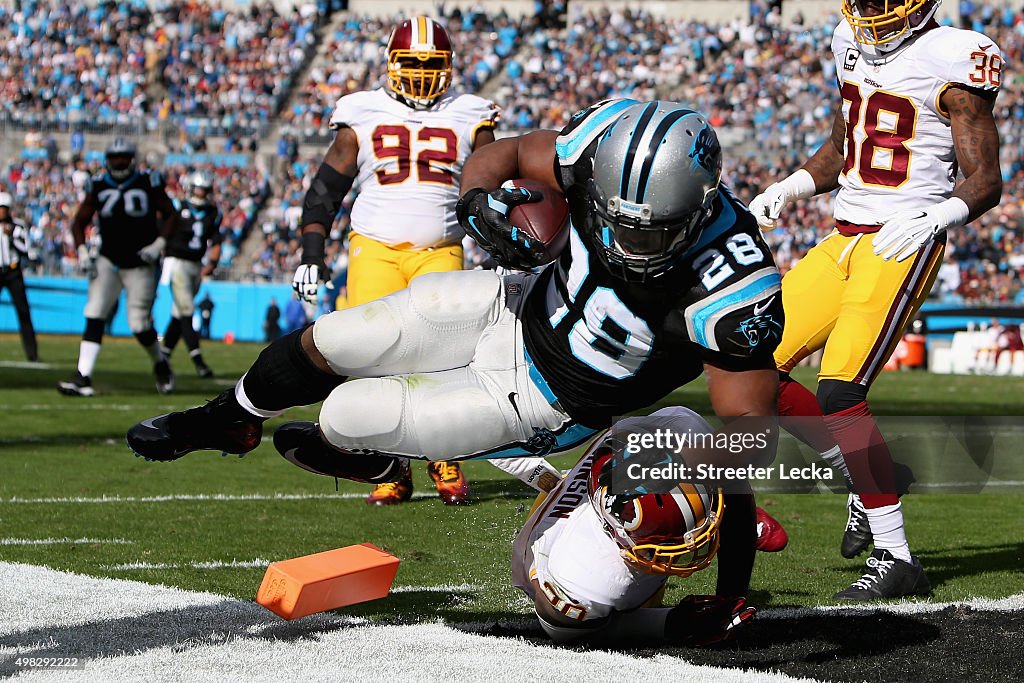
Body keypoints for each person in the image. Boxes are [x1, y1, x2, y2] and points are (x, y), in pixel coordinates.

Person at [126, 101, 783, 567]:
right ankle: (228, 419)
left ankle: (381, 459)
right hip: (508, 306)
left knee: (348, 412)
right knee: (337, 338)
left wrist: (731, 593)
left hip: (542, 398)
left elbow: (746, 444)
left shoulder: (731, 287)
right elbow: (506, 153)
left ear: (698, 208)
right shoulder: (601, 145)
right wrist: (475, 202)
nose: (625, 240)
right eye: (616, 217)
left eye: (650, 230)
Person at [747, 0, 1003, 599]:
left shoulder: (954, 55)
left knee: (840, 390)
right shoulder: (846, 39)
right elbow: (845, 145)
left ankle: (897, 556)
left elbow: (986, 181)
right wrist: (792, 184)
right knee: (753, 365)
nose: (873, 12)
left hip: (901, 242)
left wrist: (938, 215)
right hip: (841, 237)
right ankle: (873, 478)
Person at [290, 16, 502, 506]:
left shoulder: (472, 113)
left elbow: (491, 189)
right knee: (373, 360)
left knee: (446, 359)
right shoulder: (361, 111)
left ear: (449, 67)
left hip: (442, 246)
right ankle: (389, 467)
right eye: (413, 62)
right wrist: (312, 252)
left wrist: (501, 250)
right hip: (375, 247)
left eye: (433, 64)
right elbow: (327, 188)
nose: (424, 73)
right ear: (391, 63)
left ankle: (444, 456)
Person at [513, 407, 755, 645]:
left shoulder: (681, 430)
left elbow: (735, 479)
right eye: (670, 540)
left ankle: (692, 514)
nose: (687, 545)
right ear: (618, 531)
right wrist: (669, 623)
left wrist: (732, 597)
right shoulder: (589, 575)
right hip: (559, 561)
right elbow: (569, 630)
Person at [58, 138, 177, 397]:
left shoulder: (148, 180)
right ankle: (83, 376)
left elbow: (170, 213)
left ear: (132, 158)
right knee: (94, 311)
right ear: (108, 160)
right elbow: (79, 222)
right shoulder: (98, 184)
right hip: (108, 259)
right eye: (115, 158)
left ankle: (160, 363)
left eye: (124, 157)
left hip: (141, 261)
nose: (120, 162)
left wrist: (159, 243)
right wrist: (80, 249)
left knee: (138, 323)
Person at [159, 170, 222, 378]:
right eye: (198, 189)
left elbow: (216, 241)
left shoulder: (212, 212)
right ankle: (198, 361)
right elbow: (162, 228)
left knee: (179, 314)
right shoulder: (178, 207)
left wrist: (212, 262)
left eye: (205, 190)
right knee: (187, 309)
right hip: (177, 263)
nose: (201, 193)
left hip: (196, 264)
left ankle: (164, 356)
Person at [0, 192, 39, 362]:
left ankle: (32, 354)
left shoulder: (18, 227)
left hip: (13, 272)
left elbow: (27, 251)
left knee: (23, 312)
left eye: (4, 209)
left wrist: (12, 238)